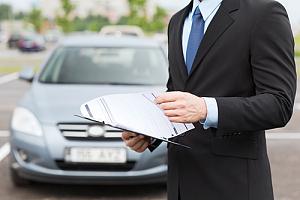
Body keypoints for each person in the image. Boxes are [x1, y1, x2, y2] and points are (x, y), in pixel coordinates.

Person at [122, 0, 297, 199]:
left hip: (233, 186)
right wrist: (150, 132)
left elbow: (279, 104)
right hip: (180, 184)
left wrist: (206, 109)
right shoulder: (177, 21)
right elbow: (177, 93)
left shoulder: (264, 13)